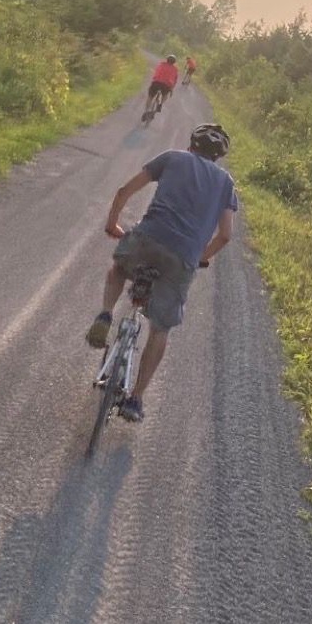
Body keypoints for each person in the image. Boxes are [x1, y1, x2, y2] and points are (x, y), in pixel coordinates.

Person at [84, 123, 239, 423]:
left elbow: (123, 191)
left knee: (119, 267)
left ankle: (105, 314)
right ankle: (136, 399)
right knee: (161, 327)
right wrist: (200, 259)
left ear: (192, 144)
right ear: (219, 156)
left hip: (147, 239)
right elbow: (225, 235)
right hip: (182, 259)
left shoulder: (172, 158)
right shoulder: (226, 183)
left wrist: (112, 224)